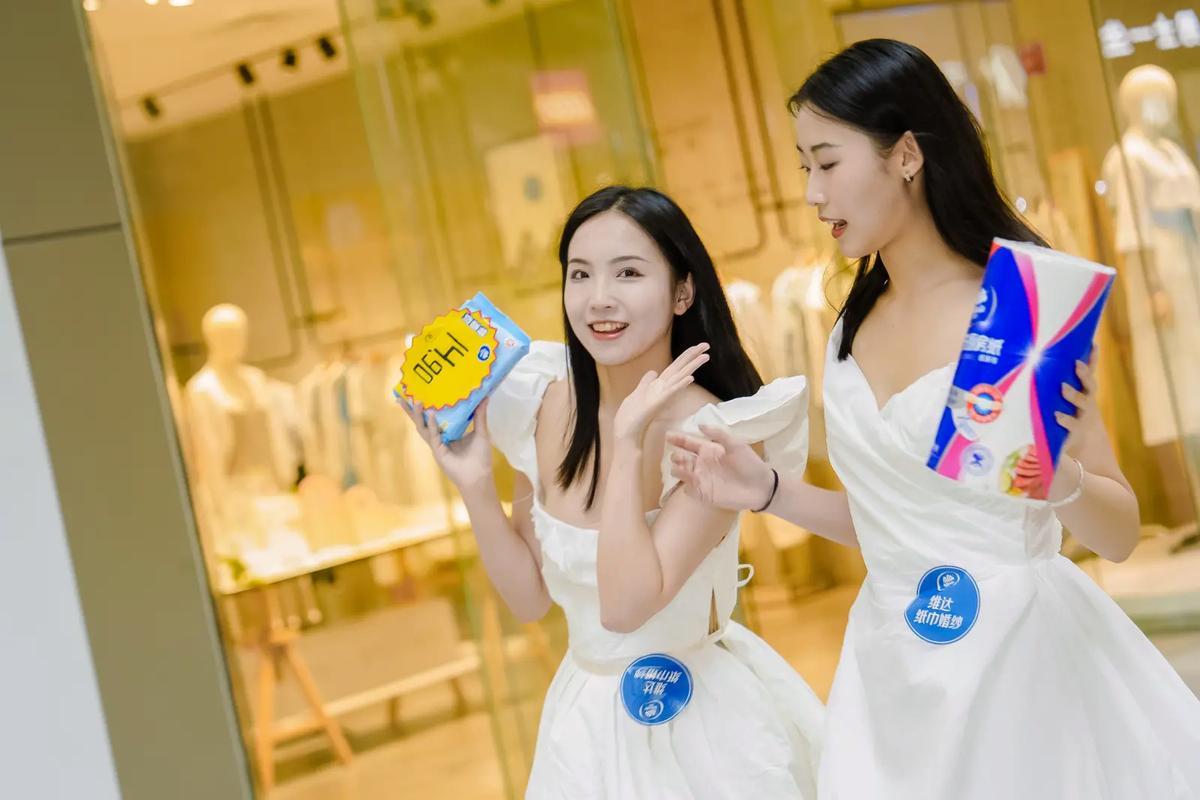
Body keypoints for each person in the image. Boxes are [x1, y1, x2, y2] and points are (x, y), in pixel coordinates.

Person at [666, 39, 1200, 800]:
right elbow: (893, 526)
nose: (812, 193)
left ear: (907, 155)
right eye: (803, 167)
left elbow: (1117, 534)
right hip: (894, 672)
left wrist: (1054, 472)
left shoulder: (1018, 311)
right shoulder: (846, 331)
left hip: (1022, 669)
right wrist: (767, 490)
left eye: (827, 162)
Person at [401, 185, 823, 798]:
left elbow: (625, 606)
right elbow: (529, 599)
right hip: (585, 726)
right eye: (580, 274)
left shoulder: (715, 435)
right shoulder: (544, 400)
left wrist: (627, 446)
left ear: (682, 292)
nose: (599, 297)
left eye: (628, 273)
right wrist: (475, 487)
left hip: (700, 727)